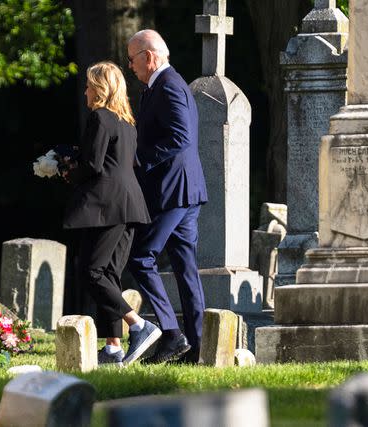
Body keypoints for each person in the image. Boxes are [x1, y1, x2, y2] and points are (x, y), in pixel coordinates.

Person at [63, 61, 161, 366]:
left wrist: (67, 172)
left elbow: (93, 165)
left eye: (90, 85)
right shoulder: (126, 122)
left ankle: (139, 325)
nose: (86, 91)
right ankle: (114, 347)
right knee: (108, 274)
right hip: (130, 204)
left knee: (91, 272)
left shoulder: (100, 117)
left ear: (101, 88)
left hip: (108, 205)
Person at [126, 30, 208, 364]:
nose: (129, 66)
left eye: (132, 59)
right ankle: (198, 348)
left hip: (174, 191)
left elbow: (180, 136)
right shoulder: (155, 88)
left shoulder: (170, 85)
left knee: (141, 257)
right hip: (182, 191)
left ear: (149, 56)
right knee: (185, 270)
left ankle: (172, 334)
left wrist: (139, 161)